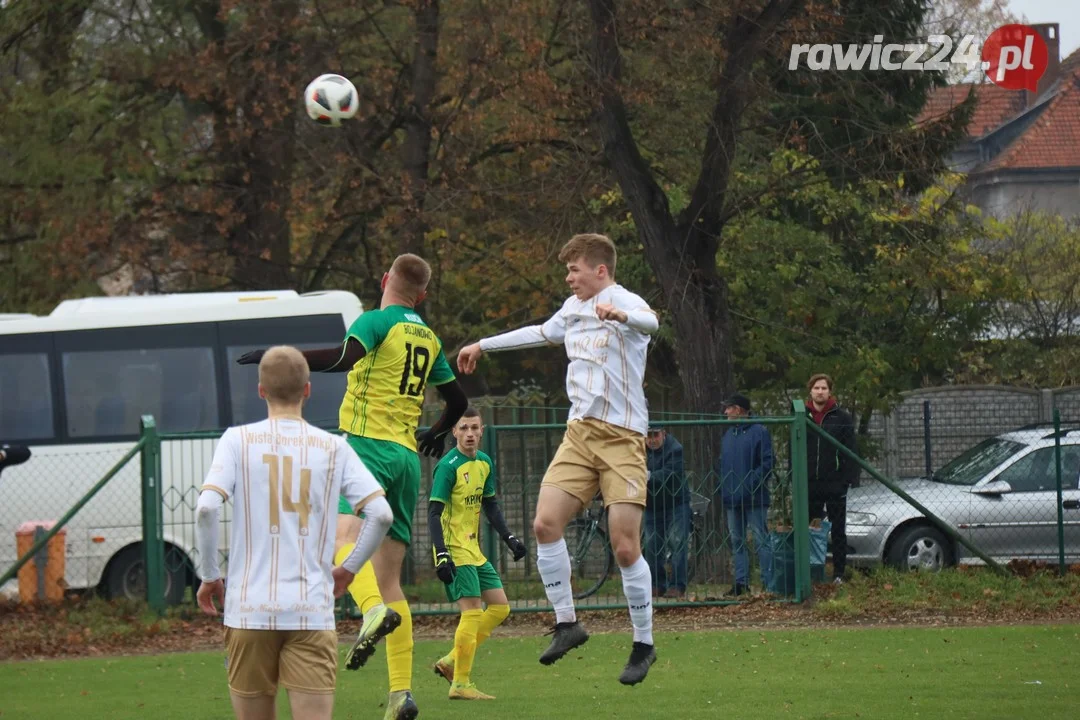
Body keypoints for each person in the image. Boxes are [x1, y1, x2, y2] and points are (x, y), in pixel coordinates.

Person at [237, 253, 469, 720]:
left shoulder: (377, 321)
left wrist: (282, 360)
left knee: (337, 541)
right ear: (421, 295)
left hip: (366, 448)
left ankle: (368, 612)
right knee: (390, 580)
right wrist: (436, 432)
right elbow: (459, 398)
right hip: (406, 458)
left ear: (386, 280)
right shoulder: (427, 335)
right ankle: (401, 694)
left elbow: (346, 358)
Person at [457, 232, 659, 686]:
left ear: (600, 271)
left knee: (626, 547)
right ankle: (568, 624)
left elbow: (652, 324)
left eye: (575, 270)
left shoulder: (623, 300)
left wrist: (622, 315)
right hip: (579, 435)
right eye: (567, 270)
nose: (569, 278)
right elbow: (540, 333)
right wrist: (482, 345)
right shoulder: (572, 309)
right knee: (544, 525)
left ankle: (643, 643)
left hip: (623, 439)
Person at [194, 346, 394, 720]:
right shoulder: (335, 448)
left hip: (249, 611)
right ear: (307, 390)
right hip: (310, 611)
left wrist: (209, 576)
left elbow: (206, 507)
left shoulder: (236, 441)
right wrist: (349, 568)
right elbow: (381, 515)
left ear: (260, 390)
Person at [427, 408, 528, 700]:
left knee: (499, 607)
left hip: (473, 549)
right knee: (471, 613)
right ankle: (461, 683)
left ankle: (450, 660)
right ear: (454, 432)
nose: (470, 433)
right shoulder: (448, 467)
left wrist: (509, 538)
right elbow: (434, 513)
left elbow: (491, 506)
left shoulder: (484, 463)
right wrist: (442, 554)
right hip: (454, 549)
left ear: (482, 430)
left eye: (474, 428)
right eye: (463, 428)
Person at [716, 393, 774, 596]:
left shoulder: (759, 432)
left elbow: (767, 463)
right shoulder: (728, 434)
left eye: (729, 408)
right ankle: (741, 583)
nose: (725, 412)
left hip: (754, 497)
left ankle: (769, 583)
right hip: (732, 497)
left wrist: (748, 484)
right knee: (737, 540)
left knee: (760, 539)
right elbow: (723, 465)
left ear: (739, 410)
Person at [805, 374, 858, 584]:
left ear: (829, 391)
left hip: (835, 484)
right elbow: (794, 449)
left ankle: (838, 573)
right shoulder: (802, 416)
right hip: (810, 483)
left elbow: (851, 450)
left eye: (824, 388)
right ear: (810, 391)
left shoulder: (841, 417)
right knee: (811, 528)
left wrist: (848, 478)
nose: (820, 391)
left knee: (838, 529)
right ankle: (813, 572)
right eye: (816, 388)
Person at [643, 425, 689, 598]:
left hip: (675, 502)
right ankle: (656, 584)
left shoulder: (675, 449)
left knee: (677, 542)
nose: (652, 440)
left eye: (655, 435)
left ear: (663, 434)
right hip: (652, 504)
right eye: (648, 436)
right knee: (652, 544)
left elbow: (670, 473)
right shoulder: (639, 450)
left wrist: (647, 476)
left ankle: (677, 585)